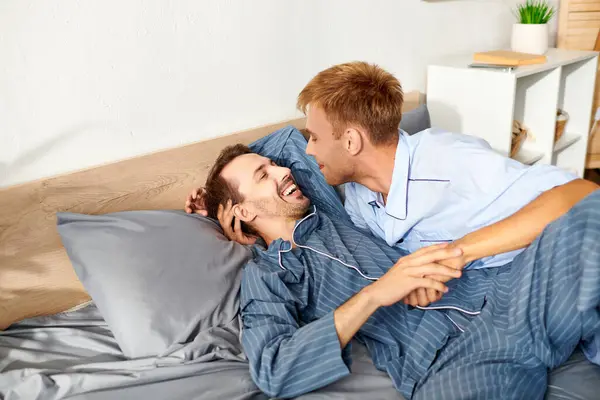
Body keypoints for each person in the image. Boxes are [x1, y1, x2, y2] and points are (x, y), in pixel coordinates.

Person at [199, 143, 600, 399]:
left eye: (274, 166)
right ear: (244, 212)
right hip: (451, 362)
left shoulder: (330, 208)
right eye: (263, 175)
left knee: (591, 213)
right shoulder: (267, 278)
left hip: (505, 295)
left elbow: (292, 140)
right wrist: (376, 294)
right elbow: (274, 369)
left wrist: (216, 193)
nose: (281, 171)